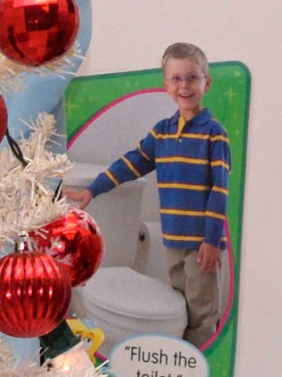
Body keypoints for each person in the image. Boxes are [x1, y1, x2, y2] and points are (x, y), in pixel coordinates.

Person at [65, 43, 230, 351]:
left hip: (200, 243)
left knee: (201, 311)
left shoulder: (213, 134)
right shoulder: (162, 132)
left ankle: (198, 364)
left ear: (206, 83)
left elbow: (219, 191)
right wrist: (93, 189)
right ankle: (177, 360)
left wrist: (211, 241)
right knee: (180, 308)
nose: (185, 85)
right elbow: (132, 163)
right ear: (166, 85)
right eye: (177, 78)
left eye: (192, 77)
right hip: (172, 239)